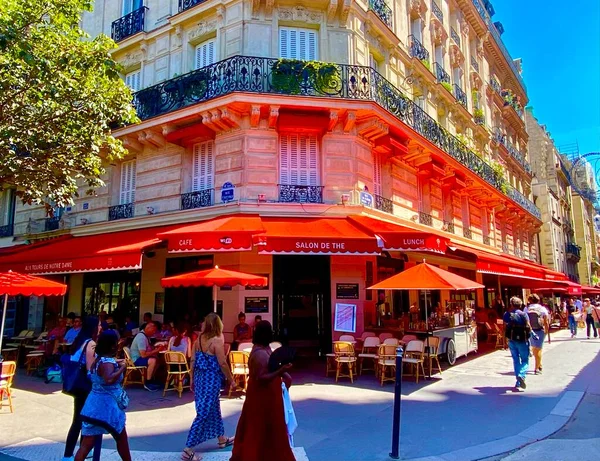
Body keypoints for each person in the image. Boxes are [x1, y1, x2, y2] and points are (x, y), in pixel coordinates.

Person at [230, 321, 296, 461]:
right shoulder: (259, 354)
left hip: (270, 396)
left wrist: (283, 373)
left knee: (271, 429)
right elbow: (261, 377)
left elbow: (272, 366)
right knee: (259, 428)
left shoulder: (265, 349)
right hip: (261, 397)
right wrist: (281, 371)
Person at [182, 313, 235, 461]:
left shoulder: (198, 339)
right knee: (204, 412)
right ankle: (188, 448)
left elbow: (192, 360)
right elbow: (222, 363)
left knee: (213, 408)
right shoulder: (217, 340)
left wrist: (191, 378)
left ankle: (221, 438)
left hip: (199, 377)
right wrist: (231, 380)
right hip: (211, 379)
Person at [76, 330, 131, 461]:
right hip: (108, 408)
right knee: (121, 438)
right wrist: (123, 367)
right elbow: (109, 378)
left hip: (93, 407)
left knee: (86, 445)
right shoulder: (107, 362)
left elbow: (105, 369)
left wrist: (115, 363)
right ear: (112, 346)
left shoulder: (99, 360)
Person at [62, 316, 102, 461]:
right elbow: (90, 370)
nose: (100, 327)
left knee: (77, 420)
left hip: (76, 385)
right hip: (85, 387)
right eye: (98, 325)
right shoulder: (90, 343)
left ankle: (69, 454)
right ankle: (82, 451)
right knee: (84, 421)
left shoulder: (80, 340)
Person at [504, 296, 532, 391]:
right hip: (523, 340)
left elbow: (504, 326)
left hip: (512, 340)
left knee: (516, 360)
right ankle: (521, 375)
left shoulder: (507, 314)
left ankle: (518, 381)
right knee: (525, 360)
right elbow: (529, 326)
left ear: (511, 304)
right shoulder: (524, 314)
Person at [129, 322, 164, 391]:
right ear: (148, 329)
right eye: (153, 331)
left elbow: (147, 349)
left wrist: (155, 347)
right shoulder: (141, 337)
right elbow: (143, 355)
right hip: (136, 359)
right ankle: (148, 383)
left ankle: (151, 378)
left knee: (157, 359)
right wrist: (156, 351)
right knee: (152, 360)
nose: (154, 333)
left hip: (139, 357)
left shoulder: (145, 336)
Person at [525, 294, 549, 374]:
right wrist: (546, 329)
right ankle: (537, 368)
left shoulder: (527, 308)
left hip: (531, 330)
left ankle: (539, 364)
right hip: (540, 329)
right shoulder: (542, 308)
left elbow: (525, 319)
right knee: (538, 348)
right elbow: (546, 320)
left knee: (535, 348)